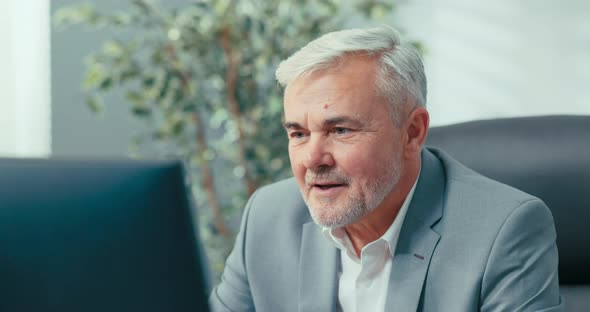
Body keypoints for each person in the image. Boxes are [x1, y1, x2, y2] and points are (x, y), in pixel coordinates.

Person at [209, 26, 563, 312]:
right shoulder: (268, 217)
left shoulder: (505, 231)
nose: (312, 159)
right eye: (298, 133)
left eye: (340, 130)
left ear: (412, 132)